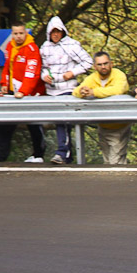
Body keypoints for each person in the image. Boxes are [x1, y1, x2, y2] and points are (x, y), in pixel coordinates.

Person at [40, 16, 93, 164]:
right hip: (51, 90)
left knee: (63, 120)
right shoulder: (45, 47)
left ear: (63, 31)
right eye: (53, 32)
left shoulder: (71, 45)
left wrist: (72, 72)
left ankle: (62, 153)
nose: (56, 34)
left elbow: (88, 61)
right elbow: (42, 67)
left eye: (58, 31)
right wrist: (44, 76)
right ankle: (67, 156)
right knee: (59, 122)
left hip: (67, 88)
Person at [0, 22, 47, 163]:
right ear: (12, 34)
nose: (18, 36)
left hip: (31, 93)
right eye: (15, 33)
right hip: (13, 91)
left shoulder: (32, 49)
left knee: (34, 123)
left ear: (26, 33)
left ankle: (38, 154)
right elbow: (7, 67)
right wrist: (4, 84)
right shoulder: (10, 46)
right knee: (5, 122)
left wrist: (23, 92)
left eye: (21, 33)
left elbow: (32, 73)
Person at [72, 52, 131, 165]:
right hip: (103, 125)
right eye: (99, 64)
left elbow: (118, 90)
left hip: (120, 125)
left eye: (105, 63)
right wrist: (82, 92)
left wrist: (94, 92)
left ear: (111, 64)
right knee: (107, 162)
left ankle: (119, 176)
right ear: (95, 66)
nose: (103, 67)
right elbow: (76, 91)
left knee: (115, 161)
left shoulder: (119, 75)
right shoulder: (92, 78)